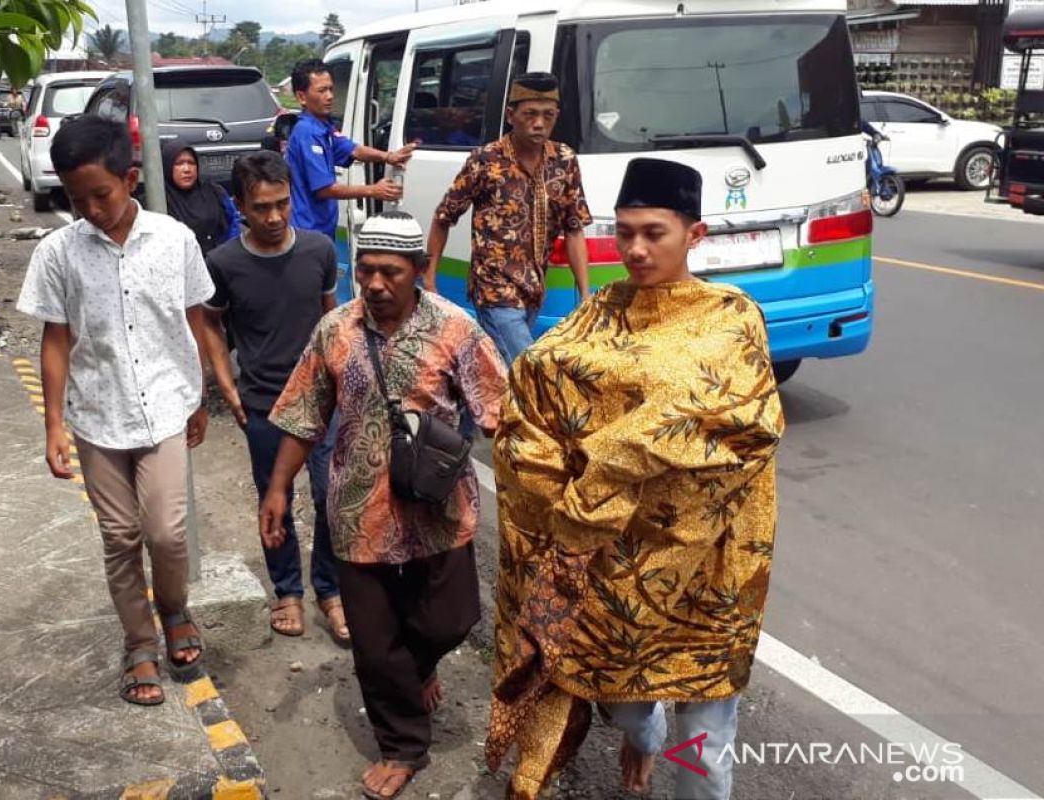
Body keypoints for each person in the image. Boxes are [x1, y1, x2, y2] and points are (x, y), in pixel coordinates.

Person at [484, 158, 785, 799]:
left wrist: (602, 474)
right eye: (623, 233)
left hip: (706, 568)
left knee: (702, 746)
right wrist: (556, 491)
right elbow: (534, 383)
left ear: (694, 234)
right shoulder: (600, 312)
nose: (635, 249)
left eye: (654, 232)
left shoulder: (732, 318)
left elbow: (737, 426)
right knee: (624, 698)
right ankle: (638, 734)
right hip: (612, 565)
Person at [260, 212, 506, 799]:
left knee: (450, 620)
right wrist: (276, 490)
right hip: (356, 510)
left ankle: (417, 668)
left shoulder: (456, 329)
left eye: (389, 272)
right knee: (374, 639)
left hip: (438, 512)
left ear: (419, 270)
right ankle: (402, 745)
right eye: (364, 269)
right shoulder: (335, 330)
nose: (373, 284)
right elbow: (302, 416)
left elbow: (503, 412)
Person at [16, 115, 216, 707]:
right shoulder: (59, 253)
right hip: (97, 416)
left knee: (166, 531)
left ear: (130, 178)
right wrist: (53, 423)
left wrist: (199, 394)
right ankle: (139, 643)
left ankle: (174, 607)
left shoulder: (174, 240)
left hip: (165, 409)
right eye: (78, 201)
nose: (91, 211)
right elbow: (56, 339)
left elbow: (194, 318)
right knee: (121, 536)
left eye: (100, 195)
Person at [200, 150, 348, 644]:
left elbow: (333, 319)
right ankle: (288, 590)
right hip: (264, 404)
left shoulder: (318, 250)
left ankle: (330, 588)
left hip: (323, 402)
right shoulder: (223, 263)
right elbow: (210, 324)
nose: (274, 216)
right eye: (261, 207)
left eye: (282, 204)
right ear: (240, 204)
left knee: (331, 495)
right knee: (274, 499)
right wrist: (224, 381)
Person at [427, 72, 592, 367]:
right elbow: (444, 217)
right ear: (511, 115)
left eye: (548, 115)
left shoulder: (565, 160)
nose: (539, 123)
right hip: (494, 289)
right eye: (530, 114)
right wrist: (429, 278)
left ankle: (474, 412)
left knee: (500, 374)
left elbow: (574, 227)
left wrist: (584, 292)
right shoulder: (486, 160)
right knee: (529, 370)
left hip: (534, 289)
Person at [285, 58, 417, 241]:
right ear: (301, 97)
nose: (330, 96)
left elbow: (353, 149)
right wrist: (372, 190)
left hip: (321, 228)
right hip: (307, 231)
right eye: (322, 91)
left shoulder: (323, 127)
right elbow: (324, 189)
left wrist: (388, 156)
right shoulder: (306, 132)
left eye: (331, 89)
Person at [161, 141, 241, 256]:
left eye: (191, 163)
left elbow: (233, 224)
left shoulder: (214, 192)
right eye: (179, 164)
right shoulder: (159, 199)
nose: (187, 169)